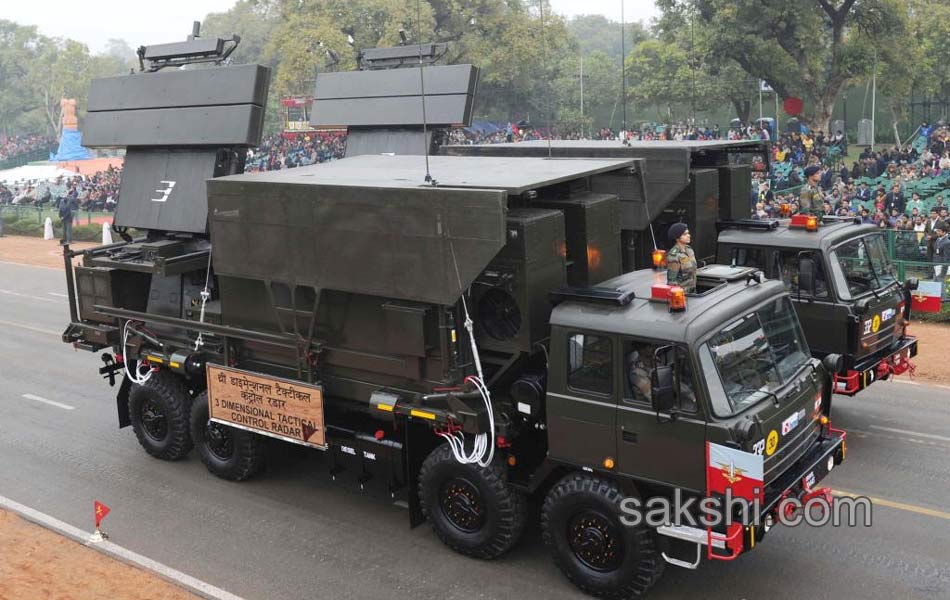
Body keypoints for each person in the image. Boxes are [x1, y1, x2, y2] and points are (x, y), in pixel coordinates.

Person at [665, 223, 697, 293]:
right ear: (677, 238)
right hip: (682, 294)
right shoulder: (674, 256)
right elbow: (672, 282)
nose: (689, 236)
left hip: (692, 291)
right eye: (685, 234)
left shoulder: (689, 250)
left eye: (688, 233)